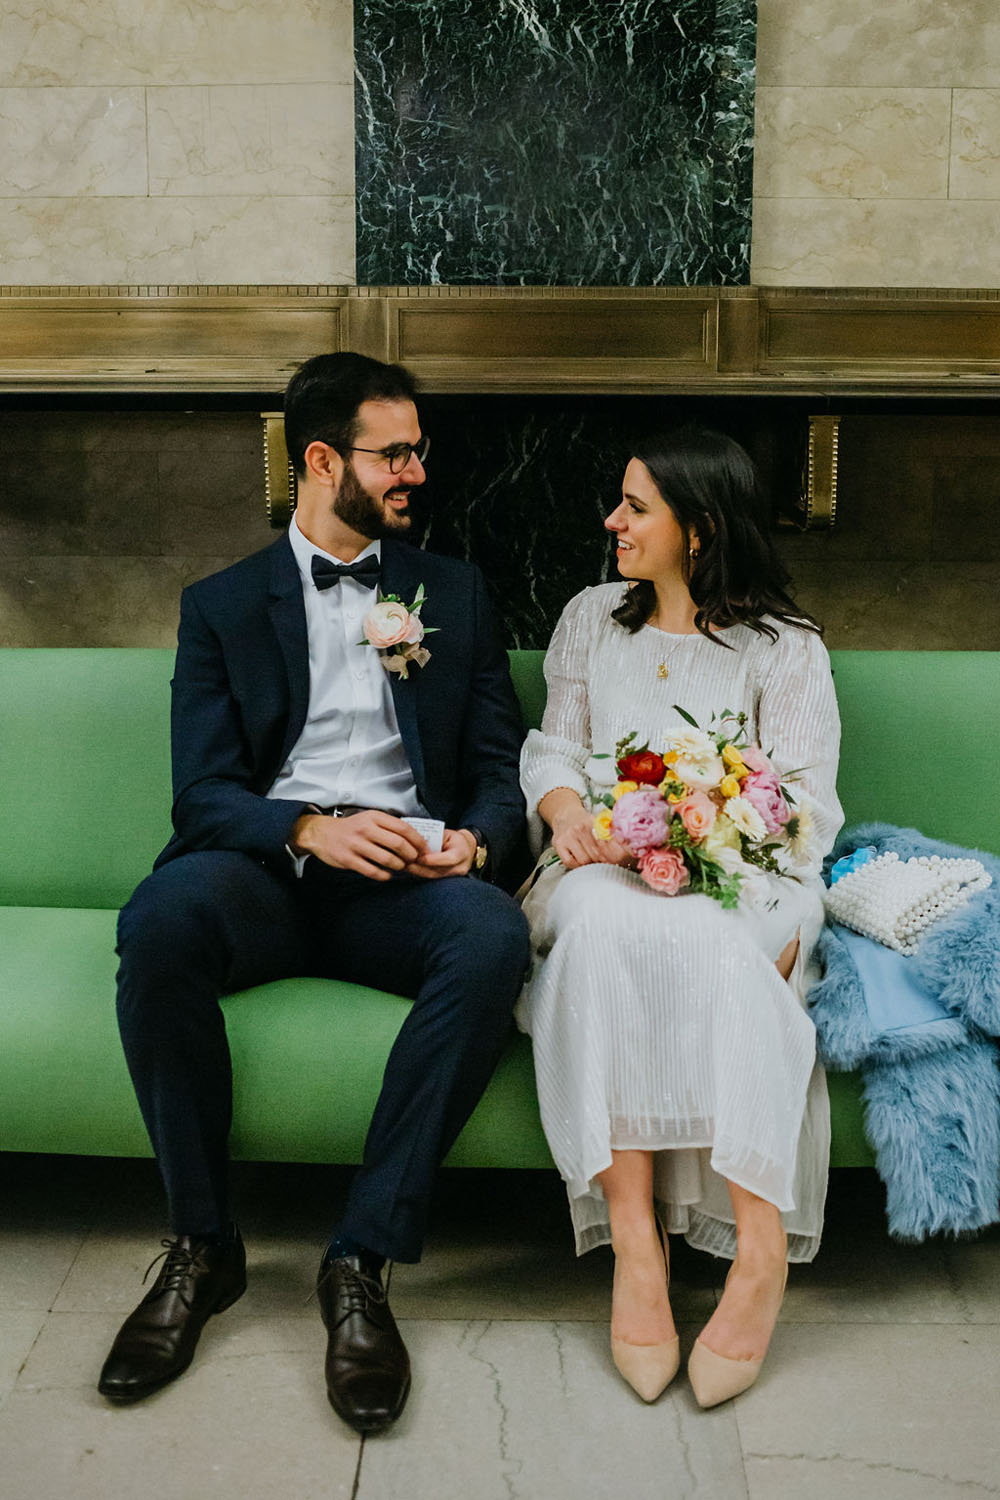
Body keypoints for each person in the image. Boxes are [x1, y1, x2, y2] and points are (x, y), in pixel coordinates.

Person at [99, 352, 530, 1433]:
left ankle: (361, 1260)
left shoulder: (454, 594)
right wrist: (307, 829)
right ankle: (203, 1245)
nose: (416, 473)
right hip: (266, 876)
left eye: (419, 451)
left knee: (487, 941)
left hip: (406, 887)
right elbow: (201, 795)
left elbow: (498, 768)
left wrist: (474, 847)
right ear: (323, 459)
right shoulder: (221, 606)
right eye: (396, 454)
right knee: (157, 922)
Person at [517, 427, 842, 1408]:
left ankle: (756, 1255)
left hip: (743, 871)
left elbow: (803, 806)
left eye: (634, 508)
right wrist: (573, 815)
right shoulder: (587, 619)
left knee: (707, 943)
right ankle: (636, 1253)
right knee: (602, 931)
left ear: (697, 530)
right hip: (599, 867)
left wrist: (698, 830)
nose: (612, 521)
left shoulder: (787, 649)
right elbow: (554, 749)